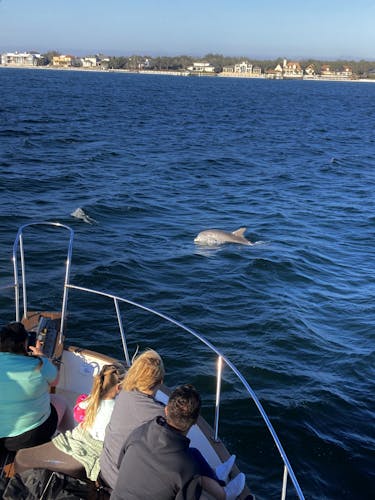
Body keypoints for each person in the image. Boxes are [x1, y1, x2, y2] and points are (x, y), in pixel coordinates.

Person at [111, 384, 245, 500]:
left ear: (166, 410)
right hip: (186, 471)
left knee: (193, 455)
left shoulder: (140, 432)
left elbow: (120, 464)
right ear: (195, 421)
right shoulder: (188, 468)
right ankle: (223, 492)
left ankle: (214, 477)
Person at [15, 362, 125, 481]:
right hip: (97, 445)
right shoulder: (118, 410)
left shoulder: (91, 400)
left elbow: (79, 412)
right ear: (119, 387)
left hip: (79, 438)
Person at [100, 349, 166, 489]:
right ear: (160, 381)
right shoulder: (159, 415)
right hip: (121, 484)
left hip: (105, 468)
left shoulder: (124, 393)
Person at [0, 321, 71, 452]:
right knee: (60, 401)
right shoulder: (40, 364)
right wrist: (41, 356)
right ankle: (69, 444)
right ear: (25, 344)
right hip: (30, 437)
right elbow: (55, 381)